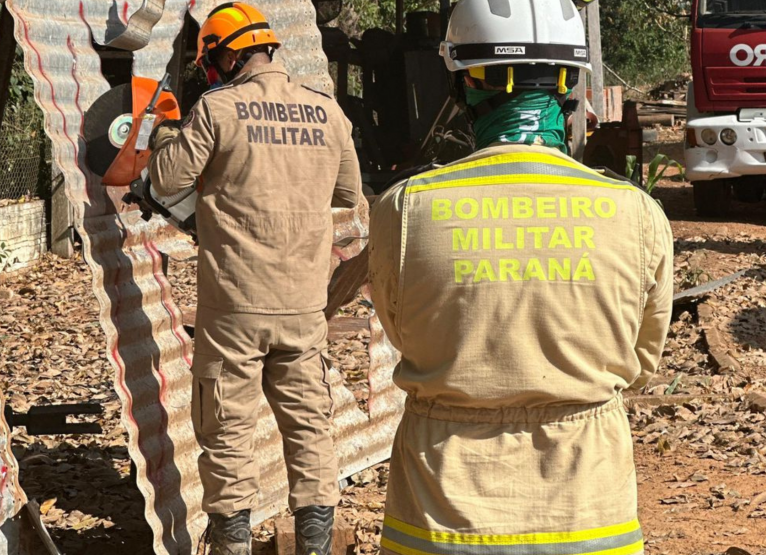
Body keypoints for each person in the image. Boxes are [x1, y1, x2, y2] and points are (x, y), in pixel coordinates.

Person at [368, 0, 673, 553]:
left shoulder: (406, 208)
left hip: (442, 514)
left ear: (461, 84)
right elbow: (642, 361)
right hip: (589, 509)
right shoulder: (636, 212)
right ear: (569, 85)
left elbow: (403, 331)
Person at [147, 4, 363, 555]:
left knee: (227, 437)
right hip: (304, 307)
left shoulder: (216, 109)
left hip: (235, 308)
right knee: (310, 431)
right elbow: (347, 193)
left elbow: (166, 178)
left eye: (210, 62)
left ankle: (232, 547)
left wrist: (165, 129)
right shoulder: (328, 111)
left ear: (226, 56)